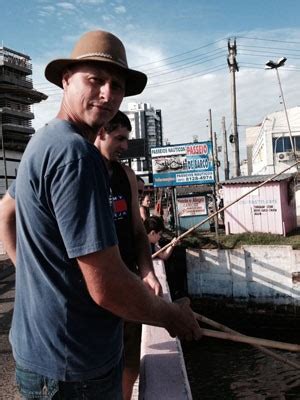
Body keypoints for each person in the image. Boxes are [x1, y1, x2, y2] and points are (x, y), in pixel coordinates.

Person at [0, 30, 202, 400]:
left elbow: (4, 214)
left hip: (39, 353)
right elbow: (106, 286)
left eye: (117, 85)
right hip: (74, 366)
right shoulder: (78, 156)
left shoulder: (42, 141)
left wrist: (34, 273)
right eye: (96, 80)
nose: (108, 94)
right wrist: (171, 316)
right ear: (66, 80)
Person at [94, 110, 161, 399]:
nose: (124, 146)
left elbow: (137, 230)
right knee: (98, 363)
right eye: (119, 138)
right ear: (100, 133)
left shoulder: (126, 176)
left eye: (127, 139)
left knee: (130, 359)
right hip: (94, 286)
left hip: (129, 281)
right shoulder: (81, 171)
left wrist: (148, 271)